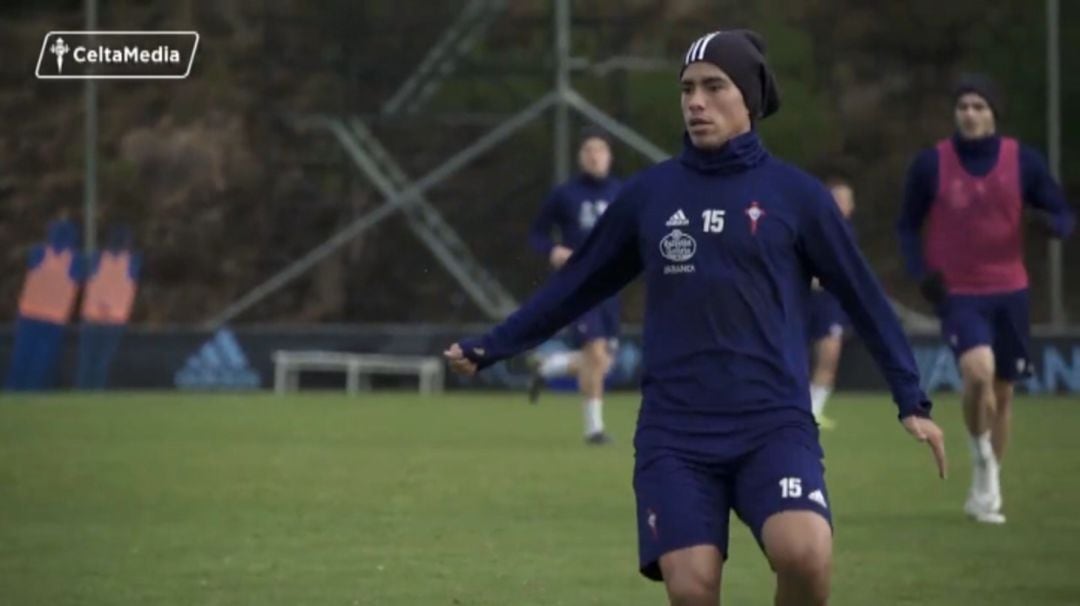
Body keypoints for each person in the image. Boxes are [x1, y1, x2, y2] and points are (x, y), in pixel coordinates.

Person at [447, 29, 945, 606]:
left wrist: (912, 398)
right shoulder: (650, 195)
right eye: (687, 89)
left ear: (750, 99)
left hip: (773, 422)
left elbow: (864, 297)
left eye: (713, 86)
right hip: (675, 431)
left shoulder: (798, 197)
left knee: (805, 556)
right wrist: (493, 346)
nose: (696, 102)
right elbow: (573, 287)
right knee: (693, 588)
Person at [897, 74, 1074, 524]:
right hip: (959, 294)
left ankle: (987, 485)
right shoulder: (931, 164)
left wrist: (1054, 225)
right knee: (977, 374)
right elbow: (906, 226)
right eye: (964, 106)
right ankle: (980, 457)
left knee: (1003, 393)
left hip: (1011, 291)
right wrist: (922, 274)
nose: (970, 113)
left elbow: (1062, 211)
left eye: (979, 106)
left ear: (993, 112)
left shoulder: (1024, 162)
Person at [525, 127, 622, 444]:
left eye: (600, 150)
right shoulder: (564, 195)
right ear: (581, 157)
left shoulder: (622, 194)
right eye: (589, 151)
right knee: (595, 354)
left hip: (609, 286)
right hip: (576, 285)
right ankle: (594, 430)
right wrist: (553, 250)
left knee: (603, 363)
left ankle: (550, 367)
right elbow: (537, 234)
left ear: (609, 157)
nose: (595, 156)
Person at [6, 219, 83, 391]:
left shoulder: (48, 254)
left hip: (43, 317)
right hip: (39, 316)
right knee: (30, 357)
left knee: (34, 358)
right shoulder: (46, 254)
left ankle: (25, 390)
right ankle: (21, 389)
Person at [806, 176, 856, 430]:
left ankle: (814, 411)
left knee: (828, 358)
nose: (842, 204)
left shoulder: (848, 233)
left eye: (846, 199)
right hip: (807, 302)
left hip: (832, 304)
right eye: (837, 198)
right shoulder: (811, 227)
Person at [76, 225, 141, 389]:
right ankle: (93, 390)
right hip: (112, 320)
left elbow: (82, 273)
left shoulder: (96, 258)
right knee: (100, 360)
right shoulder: (131, 261)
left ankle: (84, 390)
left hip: (95, 318)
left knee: (89, 360)